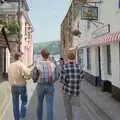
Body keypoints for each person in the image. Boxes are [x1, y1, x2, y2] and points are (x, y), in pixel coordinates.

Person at [8, 52, 34, 120]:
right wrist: (31, 71)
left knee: (15, 103)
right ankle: (22, 117)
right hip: (21, 86)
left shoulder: (10, 65)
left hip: (13, 86)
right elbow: (28, 73)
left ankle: (16, 118)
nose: (23, 58)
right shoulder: (21, 65)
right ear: (19, 57)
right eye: (22, 57)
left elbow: (9, 76)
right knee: (24, 101)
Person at [59, 51, 84, 120]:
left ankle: (69, 118)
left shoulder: (64, 67)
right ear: (74, 58)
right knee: (76, 107)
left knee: (67, 106)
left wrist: (62, 88)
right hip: (76, 91)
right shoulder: (79, 67)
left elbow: (61, 80)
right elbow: (82, 77)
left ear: (67, 58)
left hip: (67, 90)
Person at [33, 48, 57, 120]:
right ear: (48, 55)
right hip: (50, 85)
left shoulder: (38, 65)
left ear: (41, 55)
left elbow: (34, 77)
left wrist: (35, 80)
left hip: (40, 86)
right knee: (49, 105)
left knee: (39, 103)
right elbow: (56, 75)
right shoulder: (52, 64)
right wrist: (53, 81)